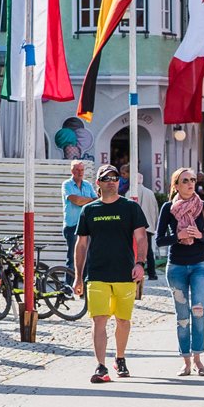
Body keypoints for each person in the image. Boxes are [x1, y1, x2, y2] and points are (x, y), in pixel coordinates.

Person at [72, 164, 149, 384]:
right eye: (107, 178)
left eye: (115, 178)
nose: (112, 181)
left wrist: (140, 263)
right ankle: (101, 366)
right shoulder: (90, 210)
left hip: (125, 272)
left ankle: (120, 358)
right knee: (99, 321)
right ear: (99, 183)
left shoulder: (130, 208)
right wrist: (78, 276)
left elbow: (141, 238)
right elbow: (81, 244)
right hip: (97, 273)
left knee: (123, 321)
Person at [156, 167, 204, 377]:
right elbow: (159, 240)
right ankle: (186, 361)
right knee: (182, 316)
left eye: (192, 180)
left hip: (200, 265)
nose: (190, 184)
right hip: (176, 267)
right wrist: (178, 236)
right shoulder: (167, 208)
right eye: (185, 181)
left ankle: (198, 358)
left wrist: (199, 235)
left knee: (198, 311)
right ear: (176, 185)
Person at [62, 160, 98, 277]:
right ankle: (68, 289)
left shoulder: (87, 184)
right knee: (72, 258)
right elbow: (76, 201)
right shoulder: (67, 184)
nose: (80, 172)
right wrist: (89, 200)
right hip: (72, 225)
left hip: (86, 226)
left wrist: (84, 200)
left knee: (87, 258)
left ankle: (83, 287)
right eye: (77, 170)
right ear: (72, 171)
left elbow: (96, 201)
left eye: (82, 170)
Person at [133, 173, 160, 280]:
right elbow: (155, 209)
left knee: (134, 249)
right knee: (148, 251)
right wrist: (155, 223)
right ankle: (152, 273)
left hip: (134, 226)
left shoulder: (129, 192)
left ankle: (135, 272)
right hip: (148, 225)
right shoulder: (150, 193)